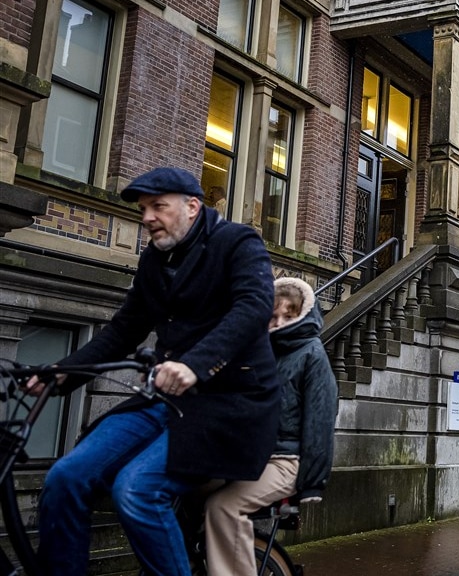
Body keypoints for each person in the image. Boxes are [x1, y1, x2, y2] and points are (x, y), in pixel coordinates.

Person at [26, 167, 281, 575]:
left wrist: (194, 365)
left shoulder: (237, 242)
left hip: (228, 406)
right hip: (166, 400)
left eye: (157, 207)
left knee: (137, 489)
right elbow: (124, 330)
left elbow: (252, 307)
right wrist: (61, 371)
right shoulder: (154, 259)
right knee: (66, 477)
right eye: (144, 209)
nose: (146, 217)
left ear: (192, 207)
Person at [205, 277, 338, 574]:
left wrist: (312, 482)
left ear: (302, 315)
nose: (278, 323)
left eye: (287, 316)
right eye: (272, 316)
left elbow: (321, 420)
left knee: (223, 507)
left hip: (285, 461)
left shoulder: (312, 356)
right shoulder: (258, 352)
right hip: (250, 456)